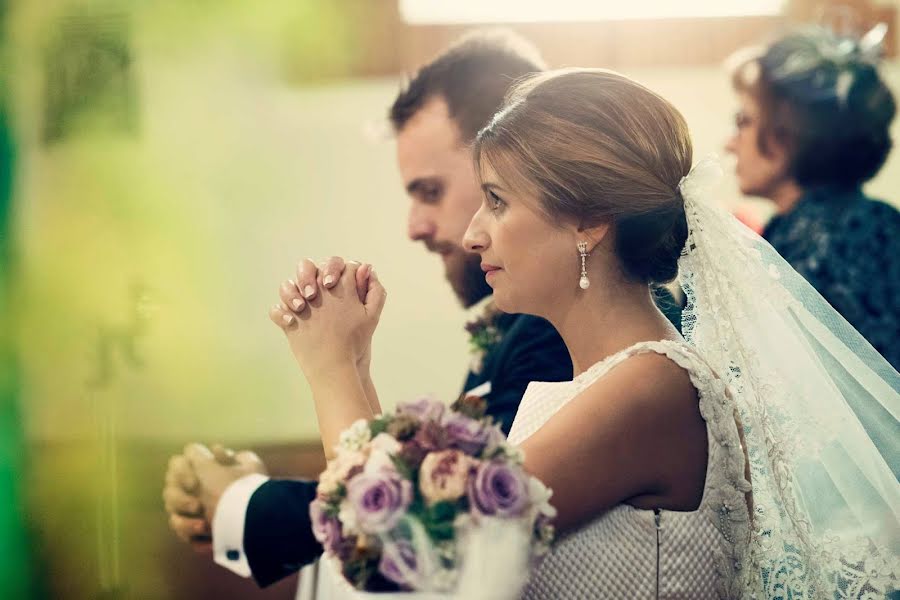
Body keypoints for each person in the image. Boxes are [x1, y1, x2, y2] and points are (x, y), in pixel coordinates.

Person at [270, 67, 899, 598]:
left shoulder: (653, 386)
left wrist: (329, 368)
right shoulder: (599, 385)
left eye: (496, 200)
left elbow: (403, 551)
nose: (472, 234)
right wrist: (353, 365)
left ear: (589, 222)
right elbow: (430, 558)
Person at [163, 30, 577, 588]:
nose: (414, 226)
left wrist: (328, 371)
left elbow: (432, 539)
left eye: (430, 191)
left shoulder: (563, 334)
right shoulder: (522, 326)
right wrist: (354, 364)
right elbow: (436, 498)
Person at [726, 26, 900, 369]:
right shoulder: (790, 229)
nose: (730, 143)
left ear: (788, 136)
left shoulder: (850, 238)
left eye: (743, 121)